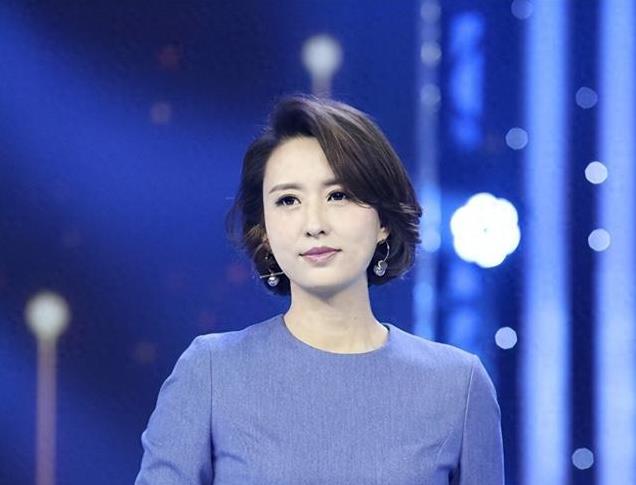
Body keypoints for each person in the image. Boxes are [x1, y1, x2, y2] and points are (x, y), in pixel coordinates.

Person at [134, 94, 505, 484]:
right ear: (264, 230)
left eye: (338, 195)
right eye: (288, 200)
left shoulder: (458, 385)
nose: (314, 224)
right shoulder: (211, 372)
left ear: (383, 220)